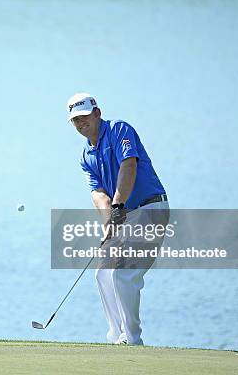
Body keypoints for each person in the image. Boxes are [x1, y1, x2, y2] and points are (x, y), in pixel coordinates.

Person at [66, 92, 169, 346]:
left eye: (84, 117)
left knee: (124, 273)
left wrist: (118, 205)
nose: (81, 123)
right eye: (75, 120)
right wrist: (108, 221)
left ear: (97, 113)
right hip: (123, 213)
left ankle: (132, 340)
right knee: (103, 273)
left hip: (149, 209)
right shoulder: (86, 156)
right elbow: (98, 192)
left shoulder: (119, 130)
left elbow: (129, 165)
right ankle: (117, 336)